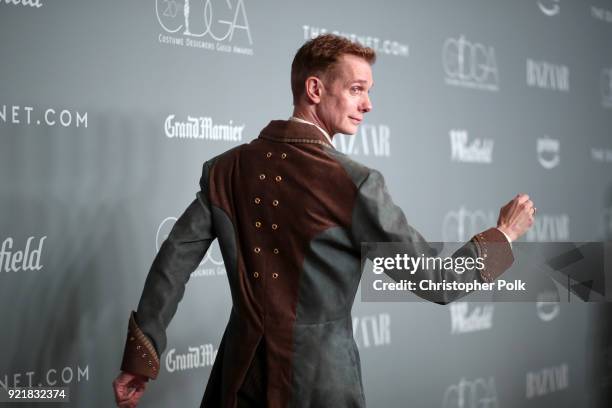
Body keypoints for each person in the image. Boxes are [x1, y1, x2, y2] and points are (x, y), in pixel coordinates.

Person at [113, 34, 535, 408]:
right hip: (321, 387)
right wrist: (504, 235)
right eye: (356, 89)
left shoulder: (226, 169)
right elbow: (438, 281)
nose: (368, 104)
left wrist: (141, 359)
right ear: (315, 89)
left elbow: (172, 264)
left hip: (237, 381)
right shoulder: (353, 183)